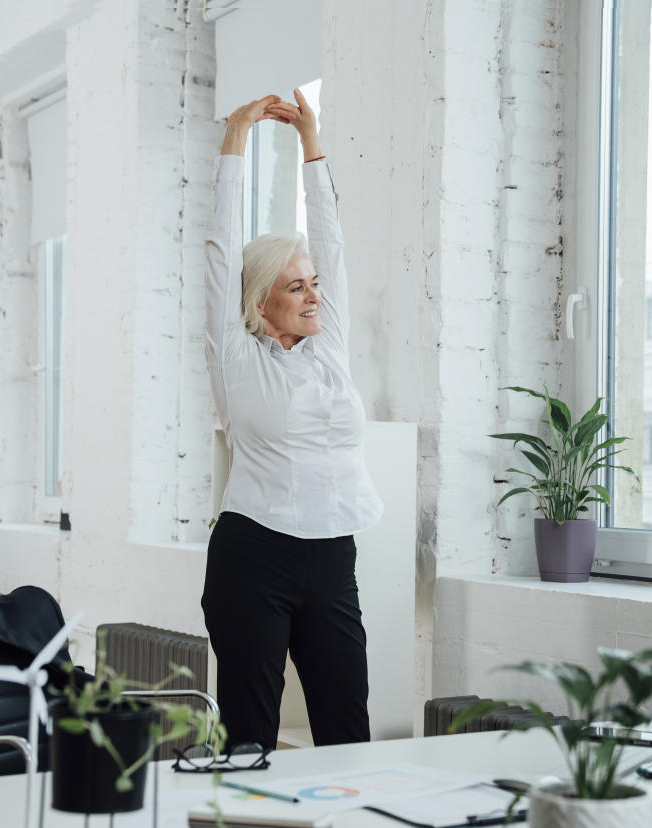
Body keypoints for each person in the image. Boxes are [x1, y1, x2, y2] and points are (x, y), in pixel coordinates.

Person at [201, 90, 383, 750]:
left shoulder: (326, 344)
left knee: (347, 730)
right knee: (250, 737)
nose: (314, 293)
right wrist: (236, 139)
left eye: (313, 282)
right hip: (255, 554)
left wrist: (311, 138)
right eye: (296, 285)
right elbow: (220, 250)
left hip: (334, 556)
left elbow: (330, 241)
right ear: (260, 300)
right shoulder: (236, 358)